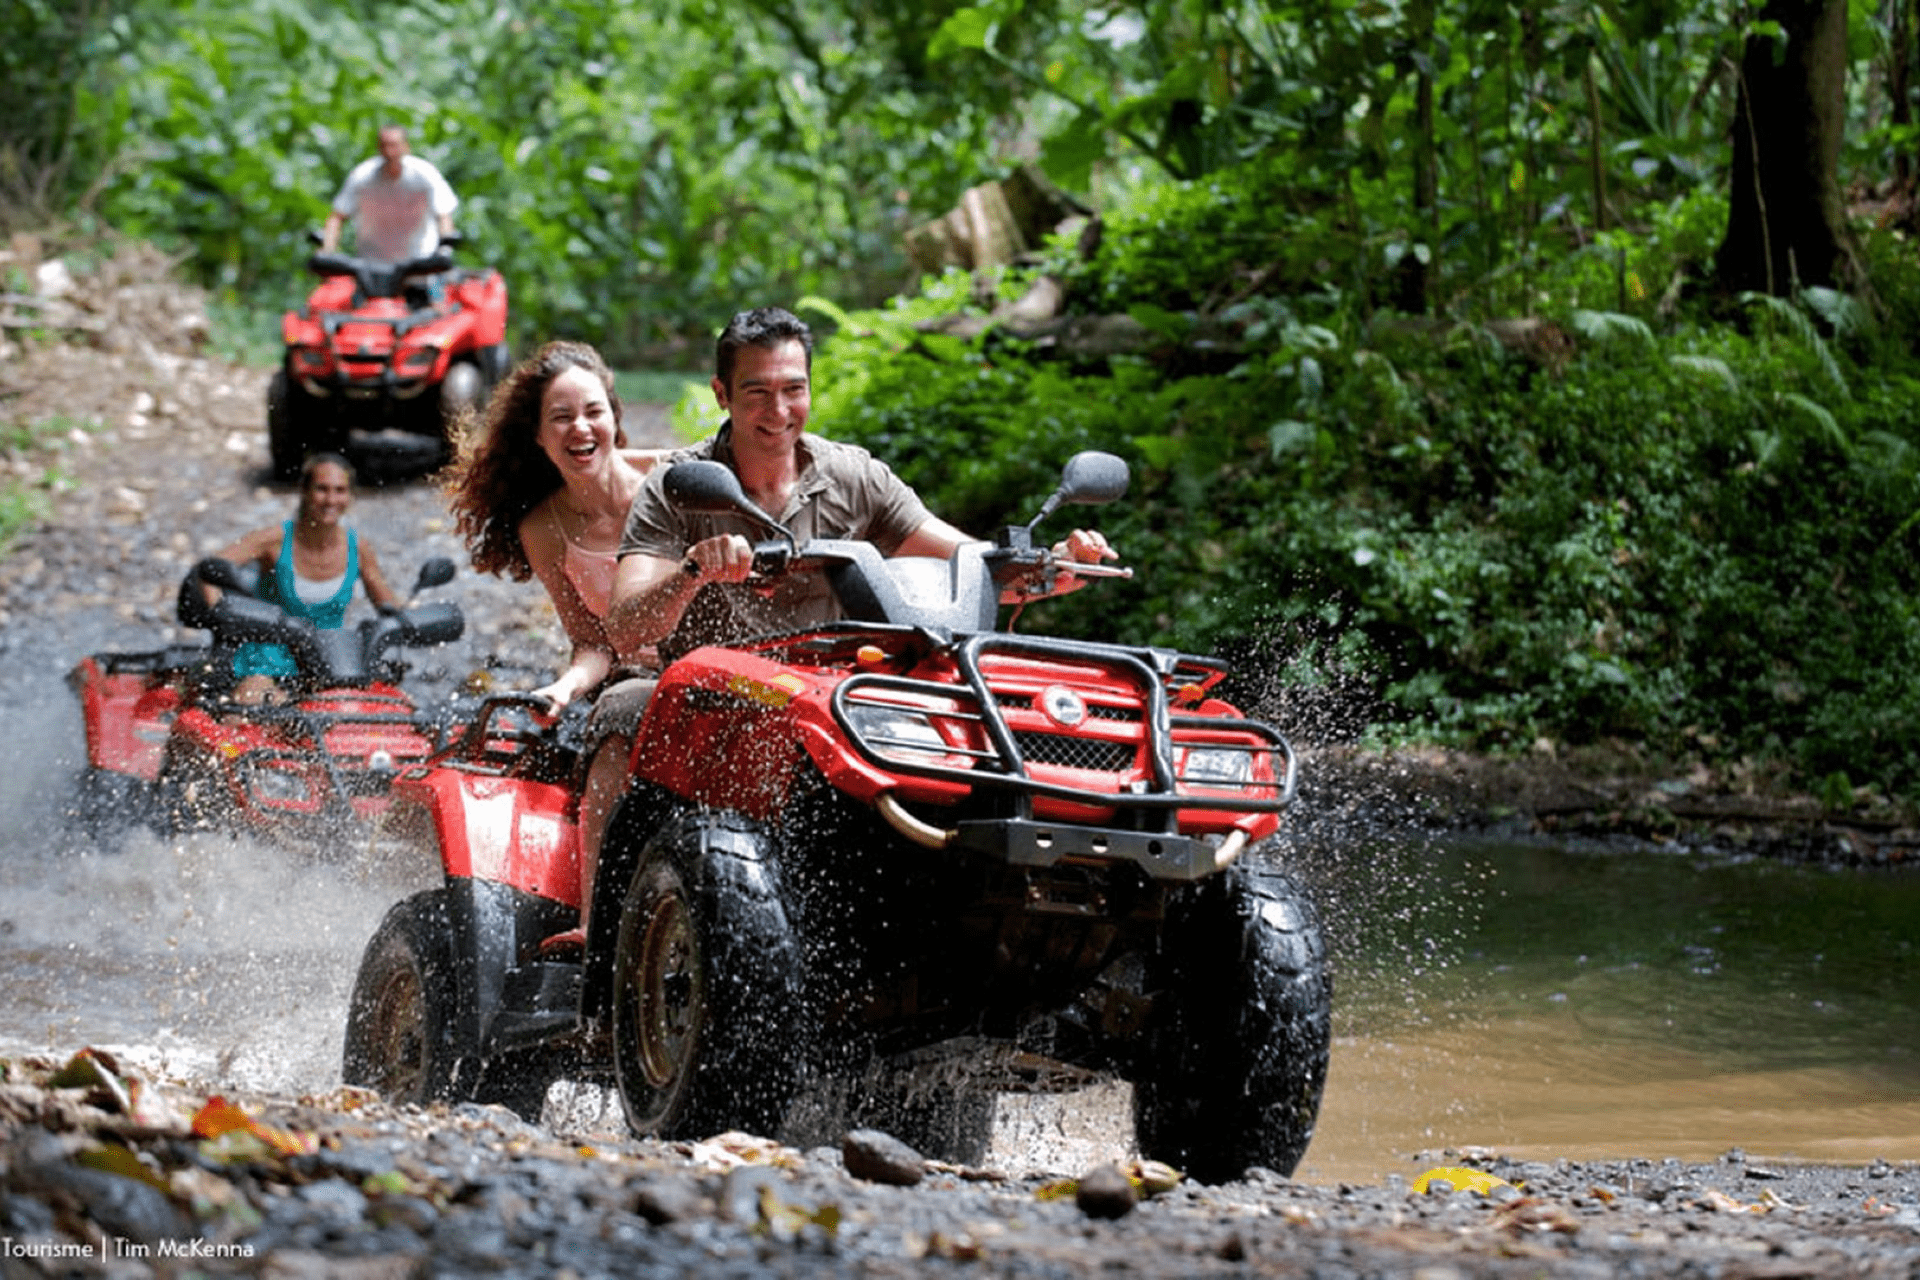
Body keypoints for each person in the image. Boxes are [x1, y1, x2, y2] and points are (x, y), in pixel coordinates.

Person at [569, 305, 1114, 930]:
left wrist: (1054, 565)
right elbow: (626, 626)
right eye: (756, 393)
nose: (778, 412)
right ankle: (599, 930)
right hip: (710, 697)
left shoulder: (855, 476)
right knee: (619, 710)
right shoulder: (678, 484)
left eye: (793, 390)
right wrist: (694, 571)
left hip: (837, 692)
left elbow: (969, 563)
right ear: (722, 394)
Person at [443, 340, 671, 718]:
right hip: (626, 690)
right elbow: (592, 643)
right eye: (562, 417)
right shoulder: (542, 530)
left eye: (593, 411)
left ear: (615, 417)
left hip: (707, 669)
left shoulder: (669, 478)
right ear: (538, 434)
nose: (580, 427)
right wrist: (564, 688)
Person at [208, 452, 399, 705]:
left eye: (340, 490)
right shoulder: (273, 540)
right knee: (254, 701)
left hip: (330, 663)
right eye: (322, 489)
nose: (331, 499)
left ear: (350, 496)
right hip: (266, 663)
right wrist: (219, 618)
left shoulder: (358, 548)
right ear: (305, 492)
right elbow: (209, 571)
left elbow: (390, 608)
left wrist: (416, 621)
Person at [321, 125, 458, 265]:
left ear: (406, 147)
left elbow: (444, 215)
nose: (389, 152)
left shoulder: (424, 175)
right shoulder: (363, 176)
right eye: (384, 146)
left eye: (394, 146)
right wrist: (327, 251)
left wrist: (444, 251)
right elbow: (337, 216)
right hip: (371, 263)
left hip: (419, 262)